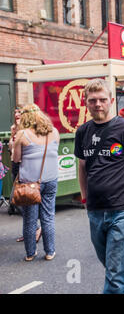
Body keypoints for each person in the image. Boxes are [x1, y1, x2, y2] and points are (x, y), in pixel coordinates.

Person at [75, 78, 124, 294]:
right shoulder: (82, 131)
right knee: (114, 268)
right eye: (92, 100)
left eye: (102, 99)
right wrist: (85, 197)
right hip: (95, 210)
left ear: (111, 100)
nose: (98, 104)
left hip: (123, 209)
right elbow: (82, 166)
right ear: (86, 103)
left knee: (115, 276)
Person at [12, 104, 59, 261]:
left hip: (30, 183)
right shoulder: (54, 133)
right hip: (51, 179)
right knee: (48, 216)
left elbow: (16, 159)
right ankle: (50, 251)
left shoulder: (22, 134)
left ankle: (30, 253)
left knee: (30, 220)